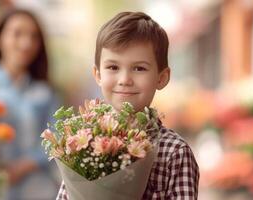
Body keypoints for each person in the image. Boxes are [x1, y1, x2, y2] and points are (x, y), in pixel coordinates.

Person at [56, 11, 199, 199]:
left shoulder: (174, 152)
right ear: (98, 75)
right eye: (113, 67)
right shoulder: (81, 144)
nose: (124, 80)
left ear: (161, 78)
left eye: (139, 68)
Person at [0, 9, 61, 200]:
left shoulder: (46, 92)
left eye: (34, 37)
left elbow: (57, 136)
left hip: (37, 189)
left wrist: (24, 166)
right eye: (17, 33)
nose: (26, 43)